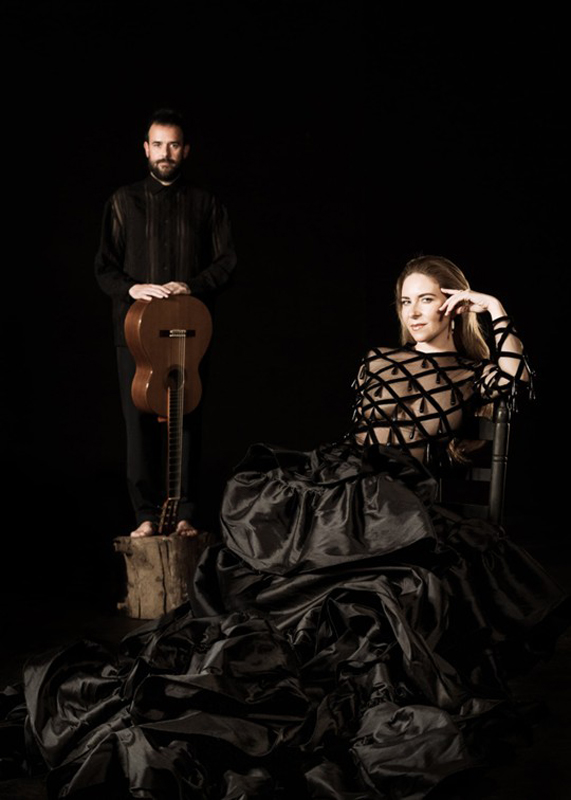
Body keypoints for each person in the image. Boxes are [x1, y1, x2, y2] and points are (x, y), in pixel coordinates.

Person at [9, 257, 568, 798]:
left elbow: (512, 382)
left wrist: (493, 308)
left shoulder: (473, 373)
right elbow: (368, 436)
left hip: (400, 500)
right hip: (346, 481)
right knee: (261, 535)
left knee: (375, 591)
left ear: (453, 305)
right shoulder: (377, 359)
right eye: (406, 301)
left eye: (428, 300)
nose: (415, 311)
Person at [95, 108, 236, 538]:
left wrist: (190, 285)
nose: (165, 153)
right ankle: (144, 515)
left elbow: (227, 262)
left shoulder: (206, 203)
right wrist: (133, 289)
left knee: (187, 420)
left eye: (173, 145)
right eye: (158, 144)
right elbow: (104, 268)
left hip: (190, 333)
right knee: (137, 425)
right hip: (135, 333)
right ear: (146, 148)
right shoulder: (122, 201)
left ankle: (185, 514)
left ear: (185, 150)